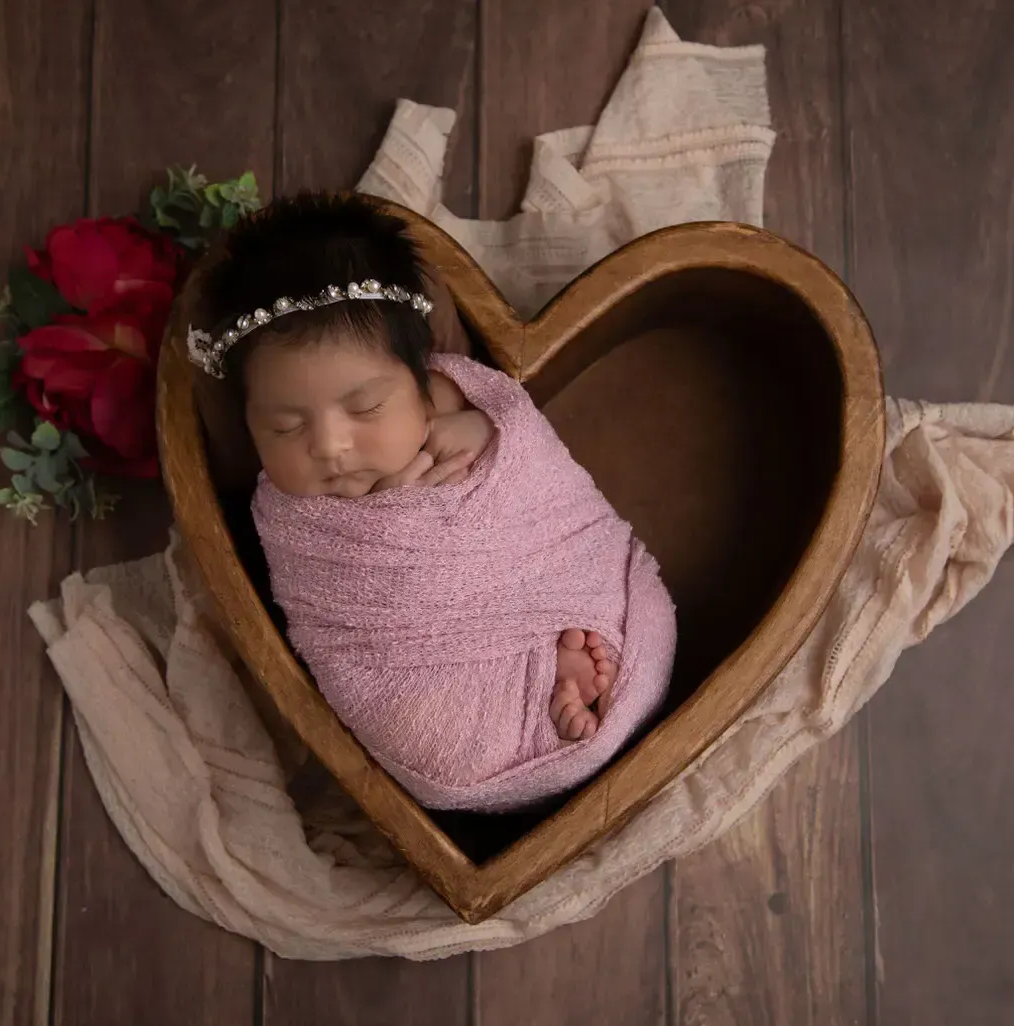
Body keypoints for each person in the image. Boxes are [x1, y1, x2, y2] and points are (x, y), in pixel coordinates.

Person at [186, 191, 676, 811]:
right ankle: (538, 685)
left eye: (365, 408)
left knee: (643, 609)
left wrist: (489, 433)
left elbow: (539, 473)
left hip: (550, 576)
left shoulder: (460, 401)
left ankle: (556, 660)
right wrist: (394, 530)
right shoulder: (287, 515)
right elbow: (327, 606)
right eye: (285, 427)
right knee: (435, 739)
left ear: (421, 383)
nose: (331, 446)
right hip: (417, 671)